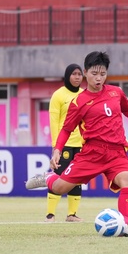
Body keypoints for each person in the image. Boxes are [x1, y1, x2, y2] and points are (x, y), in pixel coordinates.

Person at [25, 51, 128, 237]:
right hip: (91, 153)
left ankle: (123, 226)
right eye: (94, 74)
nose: (99, 78)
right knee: (59, 188)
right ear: (86, 73)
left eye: (102, 74)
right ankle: (47, 178)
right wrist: (57, 150)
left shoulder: (116, 92)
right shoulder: (78, 102)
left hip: (116, 152)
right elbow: (66, 129)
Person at [45, 63, 85, 223]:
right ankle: (50, 214)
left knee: (77, 178)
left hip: (81, 144)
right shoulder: (58, 95)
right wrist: (56, 147)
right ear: (67, 76)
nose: (77, 77)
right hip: (64, 144)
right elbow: (54, 122)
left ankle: (72, 214)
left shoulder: (85, 94)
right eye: (74, 74)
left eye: (79, 74)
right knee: (59, 177)